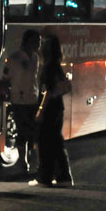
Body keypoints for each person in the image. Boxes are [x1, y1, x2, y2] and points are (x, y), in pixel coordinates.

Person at [29, 34, 74, 188]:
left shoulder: (48, 67)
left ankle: (45, 177)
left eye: (42, 45)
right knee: (55, 141)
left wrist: (40, 110)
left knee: (46, 142)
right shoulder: (56, 65)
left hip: (50, 108)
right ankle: (63, 177)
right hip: (57, 107)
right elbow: (65, 87)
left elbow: (47, 91)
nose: (40, 47)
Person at [1, 29, 41, 173]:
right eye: (37, 41)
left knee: (33, 132)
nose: (39, 44)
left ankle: (31, 159)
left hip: (33, 99)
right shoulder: (15, 58)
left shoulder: (36, 57)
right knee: (22, 131)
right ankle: (22, 162)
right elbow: (6, 78)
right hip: (19, 100)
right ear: (28, 41)